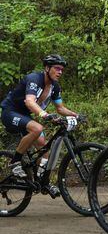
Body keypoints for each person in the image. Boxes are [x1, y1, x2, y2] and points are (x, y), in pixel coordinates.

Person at [0, 54, 78, 198]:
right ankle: (15, 162)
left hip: (25, 116)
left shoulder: (54, 86)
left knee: (44, 150)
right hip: (10, 112)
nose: (60, 72)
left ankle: (41, 181)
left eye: (62, 69)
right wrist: (45, 115)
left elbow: (60, 108)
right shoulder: (34, 79)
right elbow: (29, 101)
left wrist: (75, 115)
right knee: (37, 128)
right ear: (47, 68)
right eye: (57, 68)